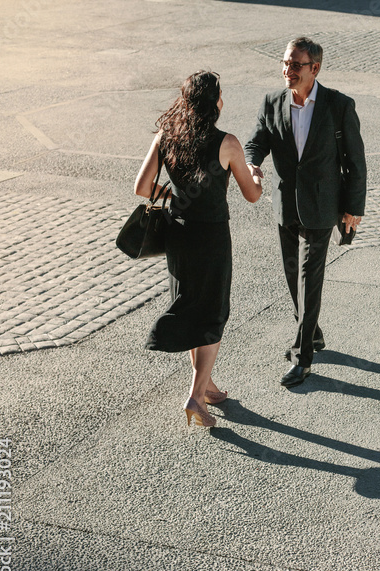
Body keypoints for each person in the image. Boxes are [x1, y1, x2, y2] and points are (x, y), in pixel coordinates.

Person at [134, 70, 263, 427]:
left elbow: (142, 187)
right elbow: (251, 196)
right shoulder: (228, 143)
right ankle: (195, 394)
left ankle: (206, 387)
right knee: (212, 314)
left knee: (191, 307)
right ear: (215, 102)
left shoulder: (168, 135)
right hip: (211, 238)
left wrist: (175, 198)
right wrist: (255, 175)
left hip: (178, 234)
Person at [244, 37, 367, 388]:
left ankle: (303, 356)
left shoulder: (338, 106)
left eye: (295, 65)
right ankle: (312, 333)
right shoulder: (272, 102)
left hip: (321, 205)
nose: (287, 70)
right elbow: (256, 142)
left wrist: (353, 209)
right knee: (291, 276)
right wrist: (253, 165)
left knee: (309, 279)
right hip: (284, 204)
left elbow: (355, 162)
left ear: (315, 68)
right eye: (285, 63)